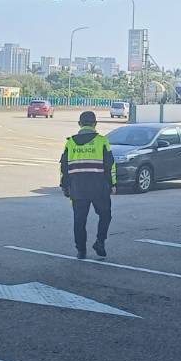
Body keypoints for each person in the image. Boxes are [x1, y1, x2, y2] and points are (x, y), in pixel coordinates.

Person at [59, 110, 115, 259]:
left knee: (79, 220)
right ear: (95, 124)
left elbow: (64, 167)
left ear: (79, 124)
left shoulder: (70, 142)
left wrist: (65, 186)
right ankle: (100, 241)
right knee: (105, 215)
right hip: (99, 187)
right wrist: (113, 184)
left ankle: (81, 250)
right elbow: (110, 165)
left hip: (78, 188)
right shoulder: (102, 141)